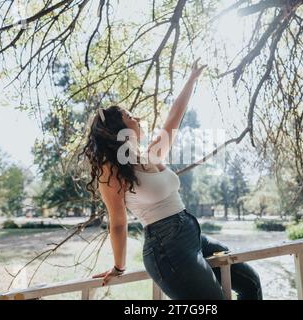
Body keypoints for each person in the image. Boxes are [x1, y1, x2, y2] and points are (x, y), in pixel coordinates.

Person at [81, 59, 262, 300]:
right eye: (129, 116)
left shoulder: (151, 154)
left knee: (251, 283)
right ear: (117, 128)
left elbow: (175, 114)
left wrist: (192, 79)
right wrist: (119, 267)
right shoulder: (110, 170)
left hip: (192, 234)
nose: (136, 119)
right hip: (167, 249)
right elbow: (117, 222)